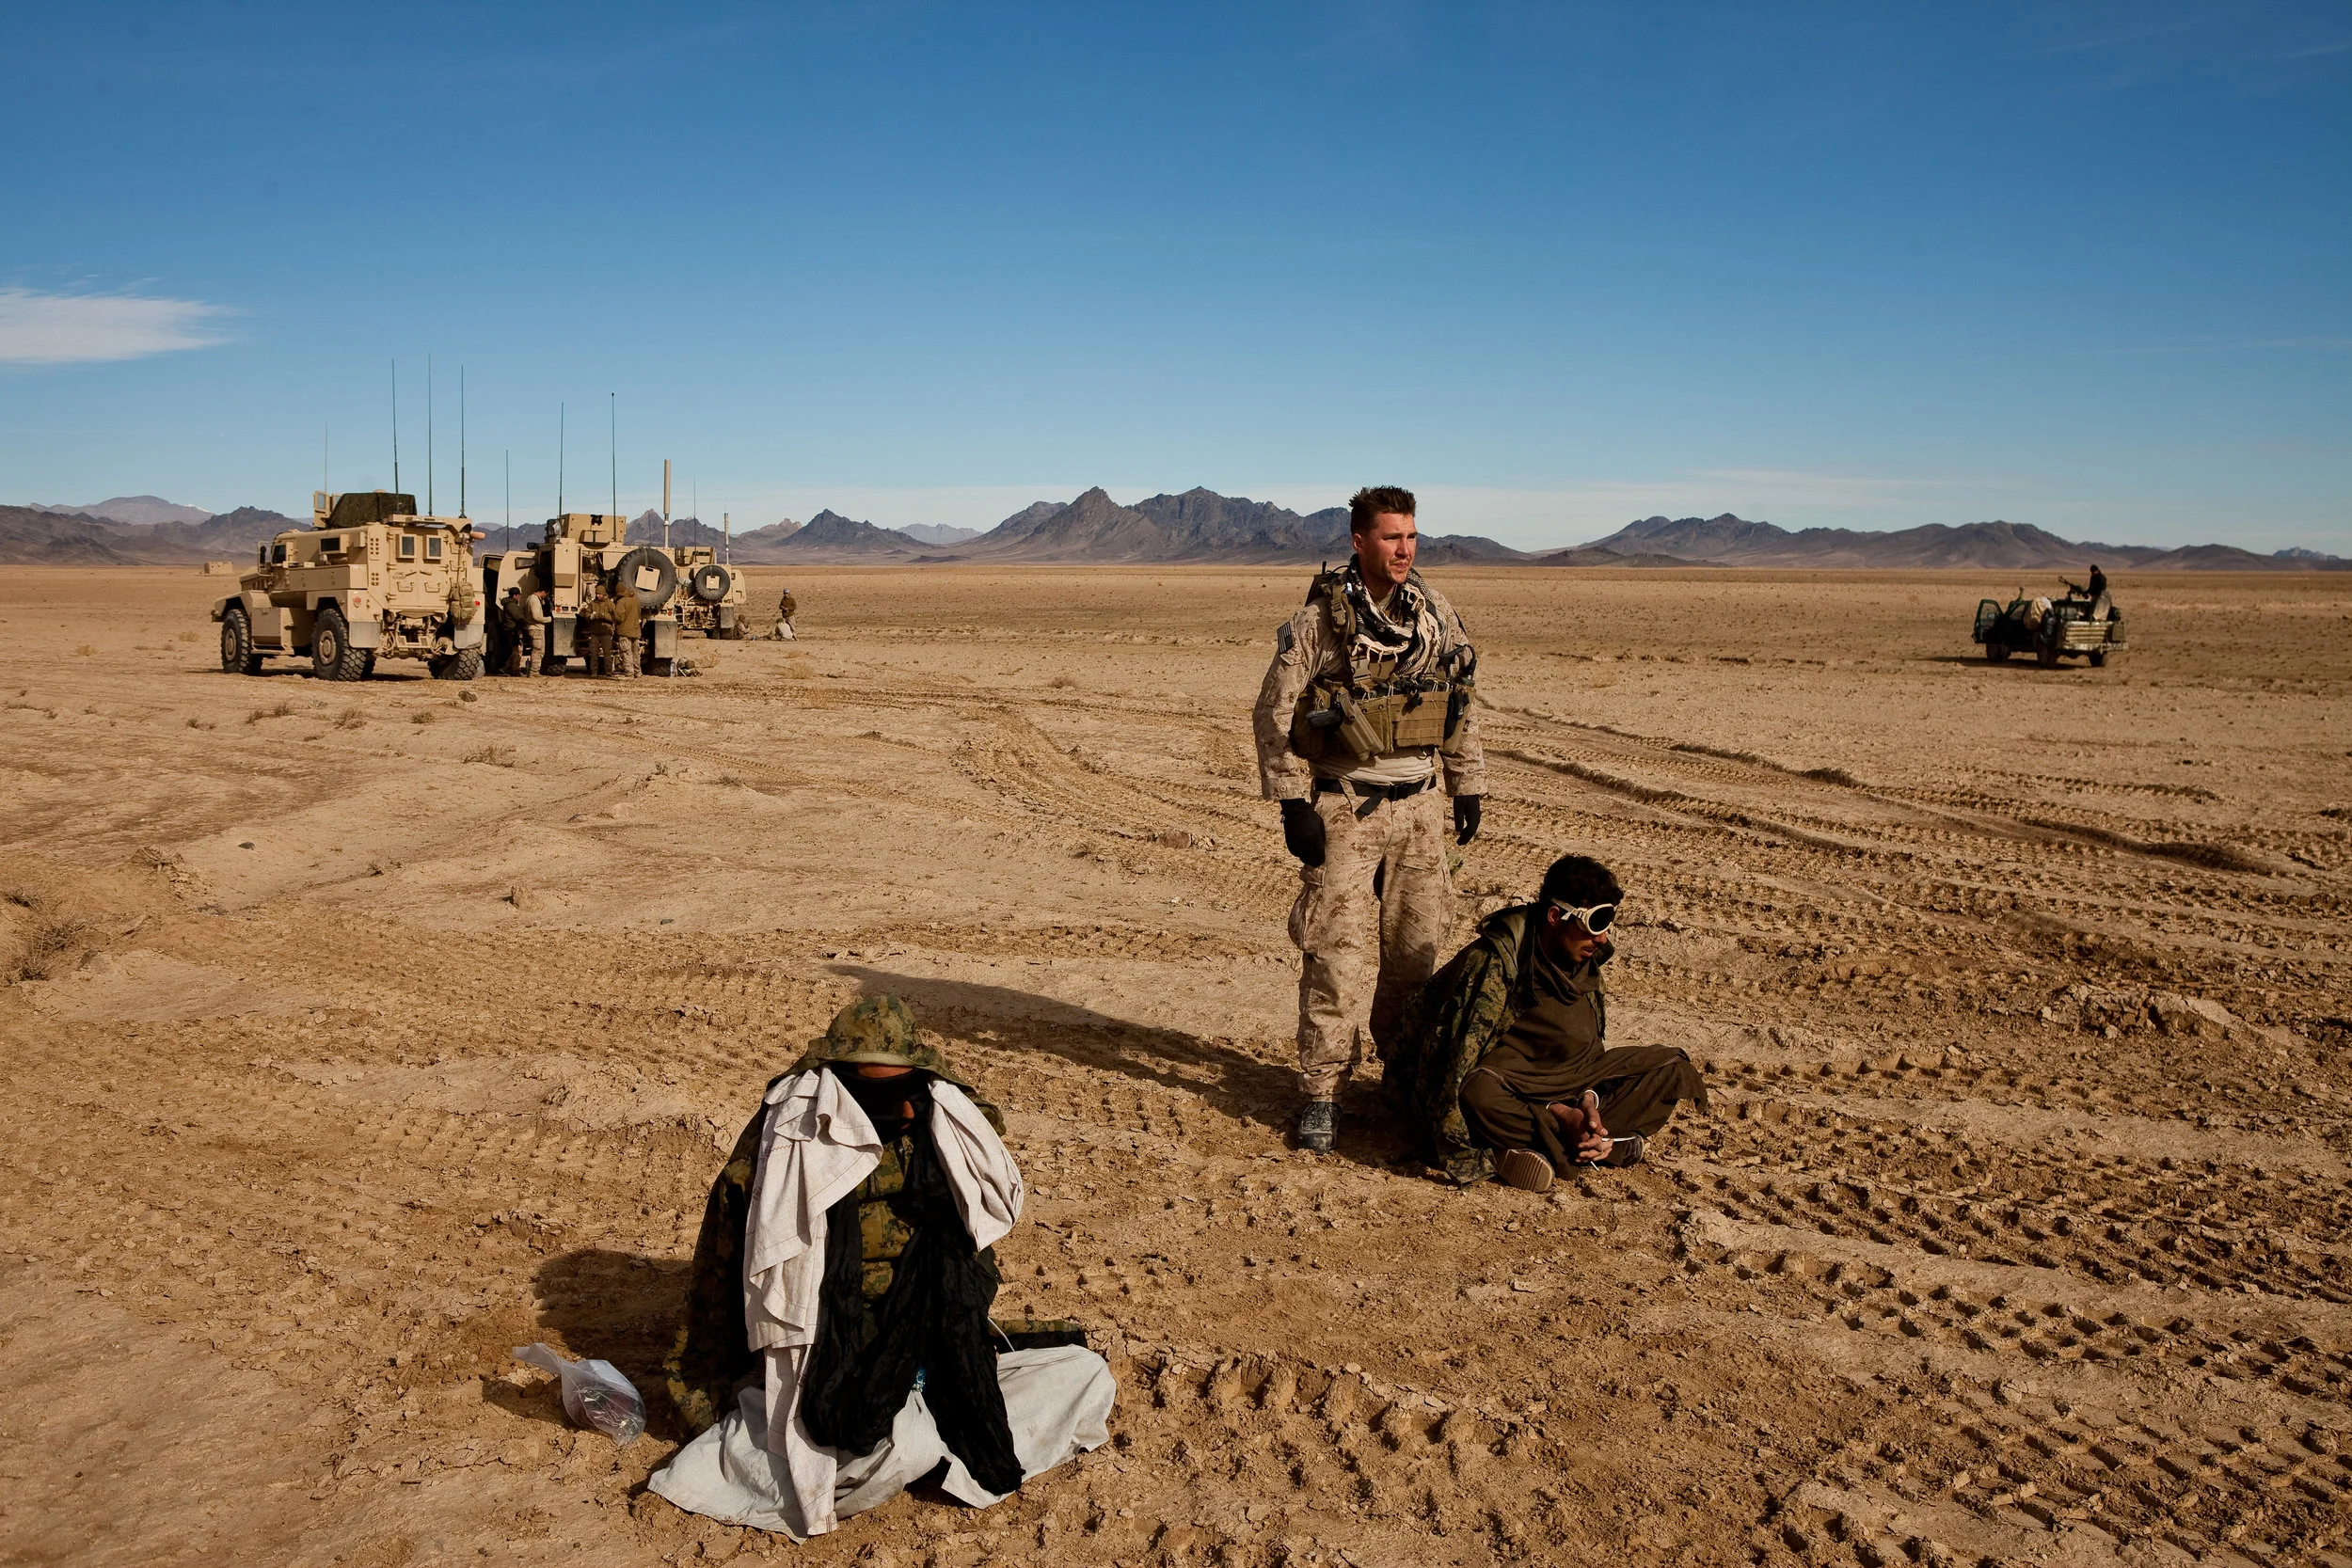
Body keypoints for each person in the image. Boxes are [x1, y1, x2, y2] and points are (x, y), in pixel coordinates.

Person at [651, 996, 1115, 1542]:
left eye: (903, 1091)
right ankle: (907, 1443)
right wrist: (702, 1397)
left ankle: (938, 1427)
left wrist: (944, 1346)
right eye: (873, 1092)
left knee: (1084, 1375)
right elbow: (721, 1280)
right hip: (833, 1362)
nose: (896, 1108)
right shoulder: (787, 1153)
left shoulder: (951, 1144)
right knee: (898, 1448)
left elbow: (969, 1275)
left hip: (935, 1353)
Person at [1252, 484, 1484, 1152]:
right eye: (1391, 536)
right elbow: (1273, 712)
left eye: (1411, 535)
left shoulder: (1435, 614)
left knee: (1415, 955)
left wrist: (1467, 783)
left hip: (1420, 808)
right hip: (1348, 809)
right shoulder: (1320, 623)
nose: (1404, 549)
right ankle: (1323, 1093)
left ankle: (1402, 1078)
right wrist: (1293, 802)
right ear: (1360, 540)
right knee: (1336, 958)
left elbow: (1461, 697)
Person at [1383, 852, 1708, 1191]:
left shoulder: (1583, 959)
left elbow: (1592, 1052)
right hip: (1512, 1082)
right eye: (1594, 926)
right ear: (1555, 916)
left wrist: (1587, 1102)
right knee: (1477, 1096)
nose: (1601, 941)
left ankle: (1576, 1143)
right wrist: (1558, 1112)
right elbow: (1455, 1064)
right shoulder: (1495, 963)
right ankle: (1598, 1145)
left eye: (1607, 925)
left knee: (1671, 1067)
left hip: (1575, 1082)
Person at [580, 581, 616, 677]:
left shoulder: (610, 604)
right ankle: (594, 672)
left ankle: (608, 672)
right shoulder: (592, 604)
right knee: (594, 654)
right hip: (595, 632)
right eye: (596, 593)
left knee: (607, 654)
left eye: (599, 594)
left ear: (603, 594)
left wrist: (604, 616)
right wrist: (592, 616)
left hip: (606, 632)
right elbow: (587, 615)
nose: (597, 595)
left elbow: (615, 617)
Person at [612, 574, 644, 677]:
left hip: (624, 631)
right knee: (636, 653)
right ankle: (637, 672)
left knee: (626, 652)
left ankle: (629, 673)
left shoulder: (621, 602)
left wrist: (613, 613)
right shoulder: (636, 599)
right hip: (636, 630)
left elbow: (619, 617)